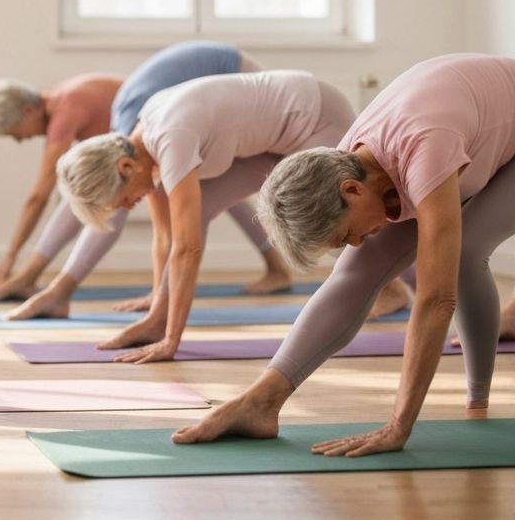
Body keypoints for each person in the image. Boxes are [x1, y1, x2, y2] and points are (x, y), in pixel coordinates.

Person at [175, 54, 515, 457]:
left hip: (480, 129)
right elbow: (349, 283)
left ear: (351, 190)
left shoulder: (425, 148)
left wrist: (398, 426)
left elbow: (435, 298)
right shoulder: (342, 162)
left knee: (463, 253)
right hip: (468, 125)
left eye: (343, 235)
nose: (353, 243)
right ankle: (261, 402)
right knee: (354, 275)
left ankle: (478, 404)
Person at [54, 71, 356, 361]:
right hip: (277, 139)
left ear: (125, 167)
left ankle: (396, 283)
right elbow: (167, 239)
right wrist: (156, 316)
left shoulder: (170, 139)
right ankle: (157, 321)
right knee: (196, 217)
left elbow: (188, 248)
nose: (128, 207)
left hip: (317, 114)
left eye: (121, 200)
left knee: (325, 223)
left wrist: (172, 340)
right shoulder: (148, 143)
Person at [0, 43, 300, 319]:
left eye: (14, 133)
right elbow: (134, 218)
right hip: (202, 86)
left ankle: (276, 269)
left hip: (235, 74)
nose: (19, 141)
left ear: (27, 111)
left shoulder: (132, 141)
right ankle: (275, 269)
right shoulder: (129, 141)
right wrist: (158, 297)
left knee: (202, 192)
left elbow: (114, 213)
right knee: (208, 192)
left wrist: (53, 285)